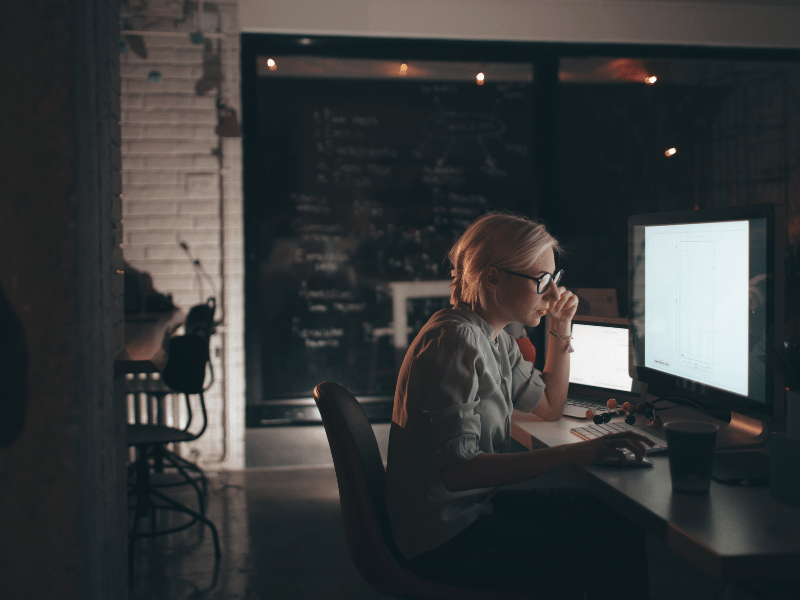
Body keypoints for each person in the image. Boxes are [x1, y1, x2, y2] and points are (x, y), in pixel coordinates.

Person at [385, 212, 653, 600]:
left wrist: (560, 326)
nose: (553, 294)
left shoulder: (496, 338)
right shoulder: (456, 340)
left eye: (554, 281)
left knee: (616, 520)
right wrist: (571, 455)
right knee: (604, 550)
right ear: (492, 277)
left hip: (473, 508)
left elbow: (549, 406)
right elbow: (457, 474)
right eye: (542, 281)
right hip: (443, 535)